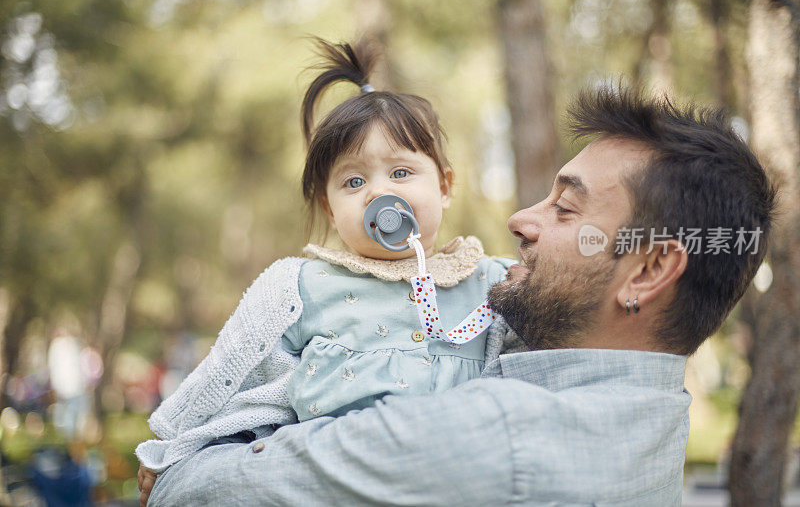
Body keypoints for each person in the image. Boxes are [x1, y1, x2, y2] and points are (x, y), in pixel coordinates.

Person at [142, 86, 775, 506]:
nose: (519, 221)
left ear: (649, 271)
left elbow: (181, 492)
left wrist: (171, 463)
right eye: (353, 181)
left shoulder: (491, 436)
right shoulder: (656, 419)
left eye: (563, 208)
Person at [135, 39, 511, 481]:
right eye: (353, 181)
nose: (378, 192)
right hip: (330, 481)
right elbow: (228, 372)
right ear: (331, 209)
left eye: (401, 172)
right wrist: (171, 446)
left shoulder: (493, 284)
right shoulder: (300, 286)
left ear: (444, 187)